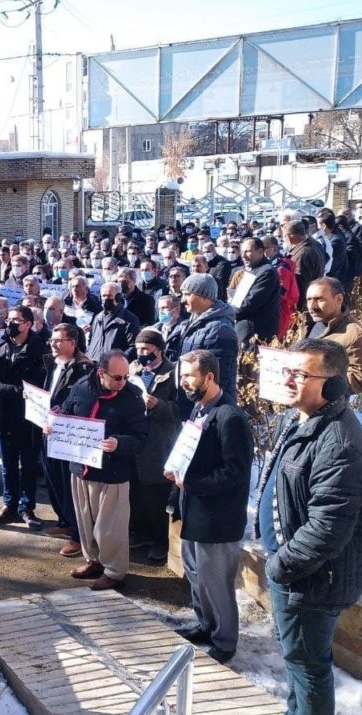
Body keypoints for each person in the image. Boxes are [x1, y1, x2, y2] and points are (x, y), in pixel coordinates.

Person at [252, 339, 362, 715]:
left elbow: (326, 531)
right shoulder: (307, 420)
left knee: (308, 661)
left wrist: (280, 565)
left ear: (332, 385)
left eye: (300, 374)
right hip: (296, 571)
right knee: (296, 654)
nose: (288, 380)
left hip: (312, 578)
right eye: (287, 371)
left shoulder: (341, 445)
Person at [166, 349, 252, 664]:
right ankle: (206, 625)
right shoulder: (199, 408)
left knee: (216, 583)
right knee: (196, 575)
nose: (184, 382)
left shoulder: (230, 416)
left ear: (210, 377)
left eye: (190, 376)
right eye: (183, 375)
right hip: (195, 510)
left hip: (218, 517)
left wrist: (193, 483)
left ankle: (225, 641)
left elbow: (236, 471)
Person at [58, 349, 147, 590]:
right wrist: (54, 423)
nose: (122, 382)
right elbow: (66, 412)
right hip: (81, 468)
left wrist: (120, 443)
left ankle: (115, 571)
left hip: (112, 473)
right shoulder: (81, 388)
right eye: (117, 377)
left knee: (111, 528)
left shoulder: (132, 399)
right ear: (101, 373)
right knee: (85, 521)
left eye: (126, 376)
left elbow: (141, 438)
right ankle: (93, 561)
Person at [0, 305, 47, 527]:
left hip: (28, 418)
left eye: (16, 320)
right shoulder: (1, 346)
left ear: (28, 324)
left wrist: (0, 389)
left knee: (28, 465)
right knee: (8, 464)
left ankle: (27, 508)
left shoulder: (39, 350)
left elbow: (35, 389)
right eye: (9, 319)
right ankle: (9, 504)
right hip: (4, 416)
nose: (10, 323)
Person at [40, 322, 94, 553]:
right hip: (49, 429)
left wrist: (62, 411)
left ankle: (77, 534)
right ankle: (64, 521)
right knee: (53, 478)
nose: (53, 344)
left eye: (58, 340)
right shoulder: (54, 363)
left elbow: (83, 402)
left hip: (68, 434)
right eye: (51, 340)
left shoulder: (84, 369)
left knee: (68, 483)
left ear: (72, 343)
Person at [128, 329, 179, 564]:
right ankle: (140, 532)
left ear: (158, 349)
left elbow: (180, 410)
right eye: (138, 349)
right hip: (136, 438)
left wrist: (158, 405)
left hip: (159, 442)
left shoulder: (172, 372)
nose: (141, 354)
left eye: (146, 349)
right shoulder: (134, 369)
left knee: (156, 495)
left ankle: (160, 541)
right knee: (136, 492)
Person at [168, 274, 238, 420]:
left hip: (208, 410)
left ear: (205, 296)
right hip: (191, 402)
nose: (182, 300)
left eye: (188, 294)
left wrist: (201, 411)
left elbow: (218, 379)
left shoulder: (220, 329)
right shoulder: (193, 322)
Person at [304, 277, 362, 396]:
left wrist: (319, 383)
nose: (312, 306)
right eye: (309, 300)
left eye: (319, 299)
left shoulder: (355, 335)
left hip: (326, 404)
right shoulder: (308, 324)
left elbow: (360, 379)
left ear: (339, 299)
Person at [232, 236, 281, 345]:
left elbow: (250, 302)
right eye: (242, 252)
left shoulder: (267, 272)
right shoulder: (253, 270)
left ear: (260, 252)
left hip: (256, 332)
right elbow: (238, 299)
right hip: (244, 329)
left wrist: (228, 312)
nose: (243, 256)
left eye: (247, 251)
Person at [86, 281, 140, 362]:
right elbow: (90, 341)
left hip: (114, 367)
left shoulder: (129, 319)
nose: (105, 299)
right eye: (103, 296)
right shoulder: (97, 318)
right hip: (94, 365)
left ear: (118, 297)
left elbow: (134, 347)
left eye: (109, 296)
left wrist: (116, 361)